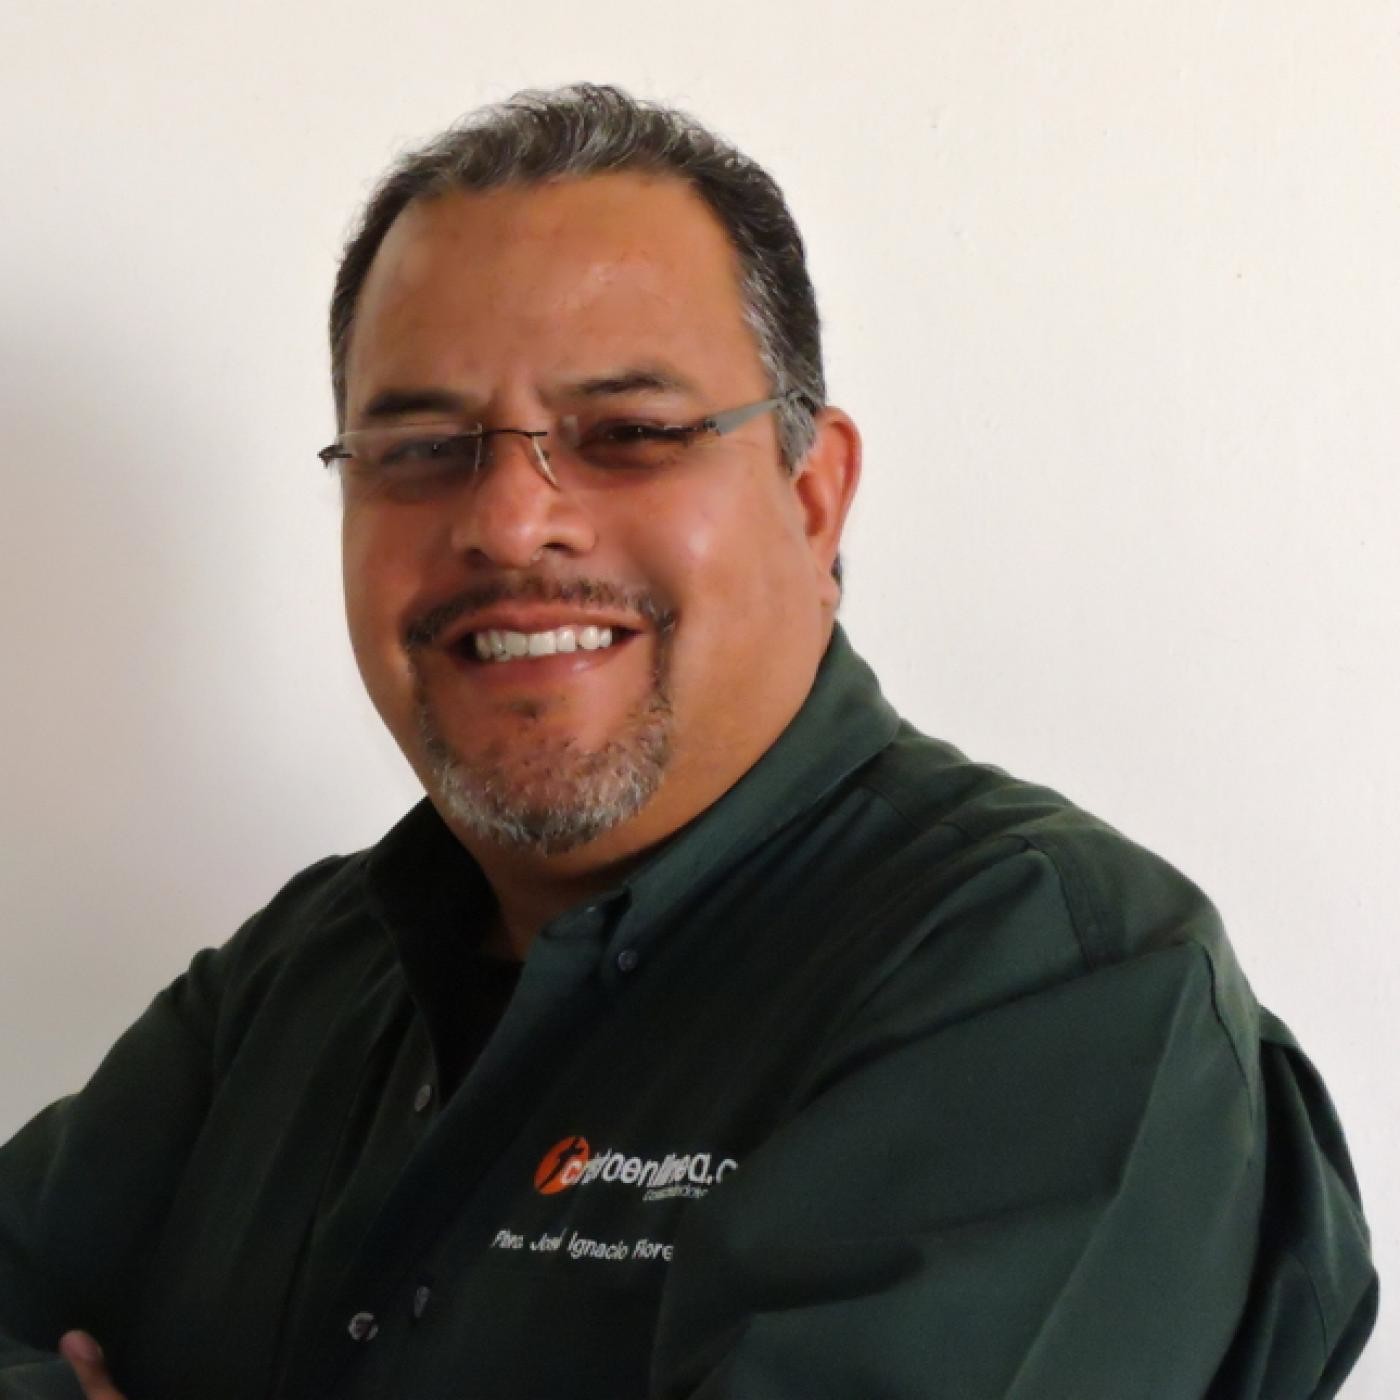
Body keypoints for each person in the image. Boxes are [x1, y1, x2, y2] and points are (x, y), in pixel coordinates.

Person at [0, 83, 1377, 1400]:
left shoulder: (1052, 987)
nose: (510, 522)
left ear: (813, 497)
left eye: (630, 433)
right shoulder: (296, 981)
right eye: (420, 449)